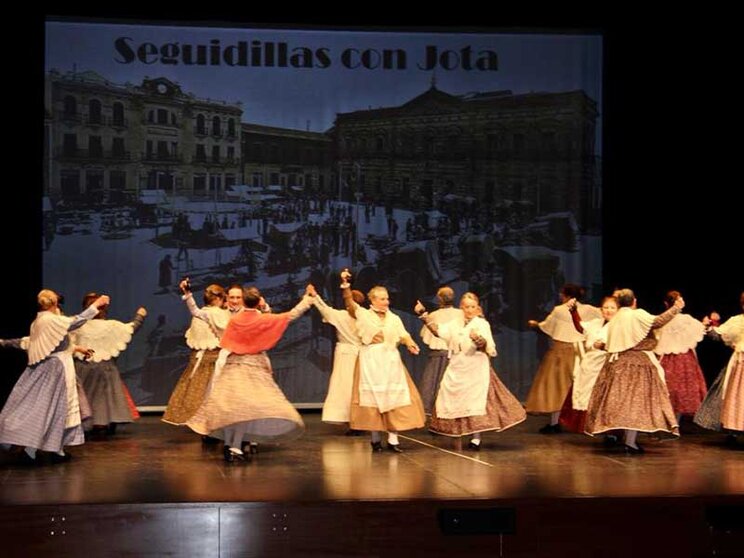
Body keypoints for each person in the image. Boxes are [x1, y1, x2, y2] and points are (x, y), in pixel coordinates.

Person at [185, 285, 315, 462]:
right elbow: (291, 315)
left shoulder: (236, 319)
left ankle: (233, 445)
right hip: (250, 367)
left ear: (243, 301)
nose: (234, 300)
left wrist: (188, 295)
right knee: (244, 410)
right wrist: (308, 299)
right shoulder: (257, 318)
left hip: (234, 365)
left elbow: (200, 314)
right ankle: (234, 446)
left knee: (235, 408)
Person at [0, 290, 109, 464]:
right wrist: (96, 305)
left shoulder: (43, 320)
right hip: (54, 370)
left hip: (57, 367)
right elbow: (75, 322)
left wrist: (77, 348)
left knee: (59, 409)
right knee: (47, 408)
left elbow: (55, 342)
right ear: (55, 303)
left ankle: (56, 449)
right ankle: (32, 449)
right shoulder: (49, 320)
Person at [415, 293, 526, 450]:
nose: (469, 310)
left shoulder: (481, 324)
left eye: (473, 307)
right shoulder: (455, 323)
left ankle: (476, 438)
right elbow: (438, 332)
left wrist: (478, 340)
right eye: (466, 307)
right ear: (461, 308)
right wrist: (423, 315)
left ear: (477, 308)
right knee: (453, 398)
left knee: (475, 400)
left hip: (475, 366)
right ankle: (458, 431)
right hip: (457, 365)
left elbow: (487, 344)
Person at [585, 288, 683, 454]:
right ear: (634, 301)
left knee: (622, 403)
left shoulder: (616, 319)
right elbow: (657, 321)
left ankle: (625, 439)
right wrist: (676, 308)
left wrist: (604, 346)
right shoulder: (636, 315)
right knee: (636, 404)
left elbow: (606, 343)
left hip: (616, 364)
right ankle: (630, 442)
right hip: (636, 365)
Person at [341, 270, 425, 453]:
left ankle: (393, 440)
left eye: (387, 298)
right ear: (373, 300)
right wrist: (346, 286)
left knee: (392, 399)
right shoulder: (363, 314)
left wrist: (411, 344)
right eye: (382, 299)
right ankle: (375, 439)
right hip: (371, 361)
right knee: (373, 401)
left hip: (390, 361)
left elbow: (403, 334)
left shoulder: (394, 318)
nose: (386, 302)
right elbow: (350, 304)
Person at [525, 284, 602, 433]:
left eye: (562, 294)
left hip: (561, 352)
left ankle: (555, 423)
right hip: (582, 352)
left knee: (556, 387)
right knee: (582, 387)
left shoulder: (559, 310)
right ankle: (587, 423)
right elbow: (603, 316)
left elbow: (547, 326)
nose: (560, 296)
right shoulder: (589, 310)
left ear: (566, 295)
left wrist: (536, 324)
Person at [71, 293, 147, 437]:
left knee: (88, 396)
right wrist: (140, 316)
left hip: (84, 368)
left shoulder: (77, 325)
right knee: (104, 396)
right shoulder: (110, 326)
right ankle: (101, 423)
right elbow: (131, 328)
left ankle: (89, 423)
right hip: (104, 368)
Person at [162, 281, 229, 428]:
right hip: (213, 359)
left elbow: (194, 310)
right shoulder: (218, 313)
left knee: (201, 393)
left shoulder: (207, 313)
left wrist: (187, 294)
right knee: (212, 394)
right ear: (218, 299)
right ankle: (211, 424)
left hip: (205, 358)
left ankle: (207, 423)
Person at [560, 295, 619, 439]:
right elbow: (581, 327)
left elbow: (624, 344)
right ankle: (594, 428)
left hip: (608, 367)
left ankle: (611, 432)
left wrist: (606, 346)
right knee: (587, 398)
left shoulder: (619, 326)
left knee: (606, 400)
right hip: (590, 365)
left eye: (612, 308)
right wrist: (574, 311)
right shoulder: (596, 323)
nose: (608, 310)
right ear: (601, 309)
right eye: (606, 307)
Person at [310, 287, 365, 431]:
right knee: (356, 388)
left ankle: (351, 420)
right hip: (358, 354)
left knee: (345, 387)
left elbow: (324, 309)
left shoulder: (343, 316)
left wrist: (315, 296)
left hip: (347, 355)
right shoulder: (365, 316)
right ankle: (358, 420)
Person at [694, 292, 744, 443]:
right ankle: (733, 430)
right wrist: (711, 326)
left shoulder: (737, 321)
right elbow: (719, 335)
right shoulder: (736, 321)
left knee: (736, 395)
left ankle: (734, 430)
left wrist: (710, 326)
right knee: (736, 395)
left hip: (740, 361)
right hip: (740, 361)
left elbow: (718, 335)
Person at [654, 290, 708, 425]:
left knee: (669, 390)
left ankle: (668, 422)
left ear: (666, 304)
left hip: (667, 360)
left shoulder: (661, 320)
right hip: (684, 360)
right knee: (681, 390)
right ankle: (674, 422)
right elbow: (701, 329)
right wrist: (707, 323)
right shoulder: (686, 319)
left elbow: (655, 338)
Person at [417, 286, 464, 415]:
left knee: (435, 383)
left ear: (439, 299)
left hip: (448, 355)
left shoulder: (434, 316)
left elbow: (426, 336)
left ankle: (436, 411)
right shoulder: (460, 314)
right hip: (449, 355)